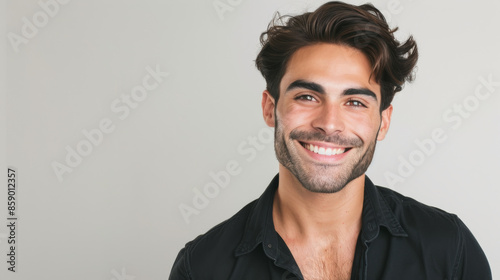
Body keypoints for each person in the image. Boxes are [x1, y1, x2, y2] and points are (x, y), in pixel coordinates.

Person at [168, 1, 492, 279]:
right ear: (270, 108)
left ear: (383, 122)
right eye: (307, 96)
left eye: (355, 102)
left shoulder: (448, 250)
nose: (329, 123)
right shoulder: (202, 267)